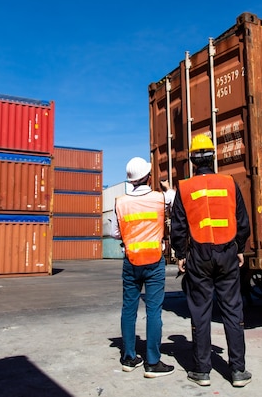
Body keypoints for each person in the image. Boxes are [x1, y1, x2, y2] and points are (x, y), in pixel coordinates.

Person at [170, 134, 252, 388]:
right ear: (213, 157)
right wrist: (239, 247)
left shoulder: (184, 187)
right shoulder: (229, 183)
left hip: (199, 255)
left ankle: (202, 371)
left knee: (201, 312)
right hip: (227, 251)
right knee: (232, 310)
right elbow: (242, 220)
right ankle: (238, 371)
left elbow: (178, 226)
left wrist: (180, 255)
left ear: (193, 160)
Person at [111, 156, 176, 378]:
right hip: (154, 261)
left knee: (128, 309)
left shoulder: (120, 202)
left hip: (130, 261)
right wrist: (168, 188)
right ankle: (153, 361)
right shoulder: (160, 198)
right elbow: (175, 202)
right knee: (154, 311)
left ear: (130, 180)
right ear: (148, 176)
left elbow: (115, 233)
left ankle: (129, 358)